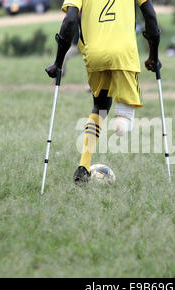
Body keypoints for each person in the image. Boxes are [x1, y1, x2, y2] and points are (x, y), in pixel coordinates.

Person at [45, 0, 161, 184]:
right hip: (124, 53)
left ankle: (84, 165)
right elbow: (151, 16)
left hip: (94, 55)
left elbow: (69, 22)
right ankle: (122, 121)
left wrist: (58, 62)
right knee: (125, 112)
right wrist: (153, 56)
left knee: (100, 106)